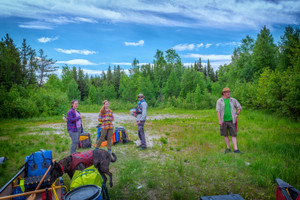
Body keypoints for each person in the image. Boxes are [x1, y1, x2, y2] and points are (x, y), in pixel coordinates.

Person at [216, 87, 242, 154]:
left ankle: (236, 149)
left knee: (233, 134)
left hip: (232, 120)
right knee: (225, 134)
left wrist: (236, 114)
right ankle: (228, 148)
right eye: (227, 92)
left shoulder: (232, 100)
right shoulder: (219, 101)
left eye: (229, 92)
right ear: (223, 93)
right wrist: (219, 120)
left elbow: (239, 107)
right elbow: (218, 111)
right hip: (223, 120)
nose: (228, 93)